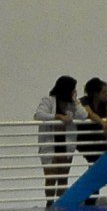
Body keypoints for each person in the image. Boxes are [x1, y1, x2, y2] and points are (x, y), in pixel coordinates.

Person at [34, 74, 78, 203]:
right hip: (50, 144)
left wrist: (76, 101)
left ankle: (61, 203)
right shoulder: (48, 101)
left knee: (63, 178)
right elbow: (38, 115)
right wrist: (58, 117)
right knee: (51, 177)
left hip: (66, 145)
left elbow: (83, 115)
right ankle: (50, 202)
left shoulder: (72, 105)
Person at [76, 77, 107, 179]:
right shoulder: (83, 101)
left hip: (98, 137)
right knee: (94, 160)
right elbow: (90, 114)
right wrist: (102, 122)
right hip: (84, 136)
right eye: (104, 92)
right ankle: (91, 181)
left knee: (102, 159)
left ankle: (94, 185)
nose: (106, 94)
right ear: (95, 93)